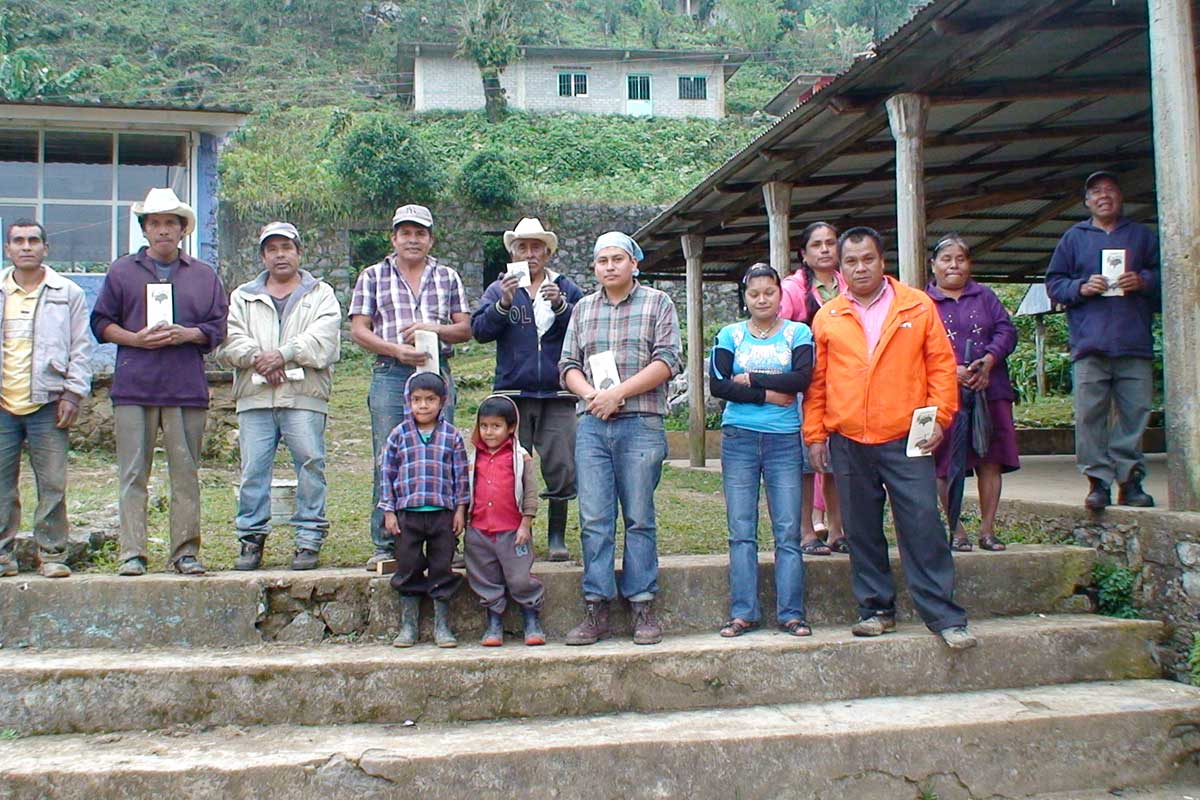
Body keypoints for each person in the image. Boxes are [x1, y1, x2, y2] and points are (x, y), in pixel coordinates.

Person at [804, 227, 976, 650]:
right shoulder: (828, 315)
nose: (860, 268)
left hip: (907, 435)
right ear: (840, 268)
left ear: (883, 261)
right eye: (851, 262)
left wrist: (940, 417)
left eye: (867, 259)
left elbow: (940, 367)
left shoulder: (916, 306)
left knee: (921, 522)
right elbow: (818, 382)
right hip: (848, 438)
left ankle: (943, 615)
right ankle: (875, 609)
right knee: (861, 529)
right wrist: (816, 434)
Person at [90, 188, 228, 577]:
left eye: (171, 222)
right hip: (134, 385)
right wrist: (134, 338)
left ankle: (185, 553)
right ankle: (132, 553)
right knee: (133, 473)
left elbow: (218, 328)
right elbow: (101, 323)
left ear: (183, 229)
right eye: (155, 223)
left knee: (185, 472)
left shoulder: (203, 275)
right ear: (145, 229)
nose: (163, 230)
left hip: (186, 387)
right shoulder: (122, 271)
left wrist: (190, 335)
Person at [559, 232, 682, 646]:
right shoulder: (582, 309)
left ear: (634, 264)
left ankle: (642, 605)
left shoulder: (657, 303)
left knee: (639, 517)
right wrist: (592, 394)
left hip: (641, 422)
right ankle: (596, 606)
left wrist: (619, 393)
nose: (609, 266)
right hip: (593, 424)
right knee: (594, 519)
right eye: (602, 260)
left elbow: (668, 359)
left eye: (618, 259)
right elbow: (568, 365)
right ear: (594, 267)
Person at [349, 204, 472, 570]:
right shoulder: (372, 276)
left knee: (443, 454)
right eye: (406, 232)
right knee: (388, 455)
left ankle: (446, 540)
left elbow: (465, 329)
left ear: (431, 239)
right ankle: (386, 543)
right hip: (390, 373)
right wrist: (395, 349)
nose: (413, 239)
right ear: (394, 237)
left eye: (420, 233)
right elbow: (359, 330)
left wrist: (432, 330)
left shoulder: (448, 276)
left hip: (437, 372)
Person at [219, 222, 342, 571]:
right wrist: (261, 358)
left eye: (286, 247)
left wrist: (284, 353)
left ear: (298, 252)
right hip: (255, 396)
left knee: (310, 464)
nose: (280, 254)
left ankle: (308, 539)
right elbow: (229, 339)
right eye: (272, 249)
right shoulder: (243, 296)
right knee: (253, 469)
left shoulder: (321, 294)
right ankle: (251, 539)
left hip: (304, 395)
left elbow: (325, 340)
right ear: (263, 256)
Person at [471, 217, 584, 561]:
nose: (530, 253)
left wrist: (562, 307)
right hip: (513, 394)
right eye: (523, 247)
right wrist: (503, 305)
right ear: (513, 252)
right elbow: (479, 330)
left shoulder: (565, 287)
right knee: (510, 467)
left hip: (558, 393)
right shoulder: (499, 288)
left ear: (548, 253)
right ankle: (514, 533)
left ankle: (556, 537)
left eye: (537, 247)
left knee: (561, 465)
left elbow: (585, 328)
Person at [709, 263, 813, 637]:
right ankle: (743, 612)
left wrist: (750, 378)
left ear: (779, 294)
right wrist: (769, 393)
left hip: (784, 440)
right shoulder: (730, 335)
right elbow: (719, 386)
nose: (761, 299)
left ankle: (792, 613)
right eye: (754, 293)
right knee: (741, 530)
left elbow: (801, 378)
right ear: (745, 297)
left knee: (787, 531)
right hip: (739, 439)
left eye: (769, 291)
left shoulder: (797, 333)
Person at [1046, 171, 1160, 510]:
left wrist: (1142, 280)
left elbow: (1165, 274)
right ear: (1087, 201)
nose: (1104, 196)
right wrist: (1081, 287)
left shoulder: (1140, 235)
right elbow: (1054, 283)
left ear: (1120, 197)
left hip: (1133, 340)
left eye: (1110, 190)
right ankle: (1098, 482)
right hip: (1089, 343)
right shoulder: (1073, 238)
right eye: (1096, 192)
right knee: (1089, 414)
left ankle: (1130, 481)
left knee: (1135, 411)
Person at [0, 220, 92, 579]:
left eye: (33, 240)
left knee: (52, 483)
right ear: (8, 249)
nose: (27, 247)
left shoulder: (66, 292)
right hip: (3, 403)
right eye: (18, 241)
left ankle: (52, 554)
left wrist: (73, 392)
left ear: (46, 248)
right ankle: (3, 556)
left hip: (48, 402)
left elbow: (81, 348)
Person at [927, 235, 1019, 552]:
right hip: (942, 395)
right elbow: (915, 347)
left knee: (990, 459)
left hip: (989, 390)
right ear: (933, 265)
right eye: (946, 258)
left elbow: (1007, 330)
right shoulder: (922, 303)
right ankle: (956, 529)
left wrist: (989, 361)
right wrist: (950, 370)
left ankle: (988, 530)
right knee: (942, 463)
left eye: (961, 259)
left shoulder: (986, 297)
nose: (954, 265)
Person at [379, 372, 470, 649]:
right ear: (408, 402)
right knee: (409, 565)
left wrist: (460, 509)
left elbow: (460, 475)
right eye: (417, 400)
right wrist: (389, 511)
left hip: (442, 513)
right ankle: (409, 625)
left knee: (442, 566)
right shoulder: (399, 435)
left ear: (442, 402)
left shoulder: (452, 436)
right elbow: (387, 473)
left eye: (430, 400)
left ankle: (442, 625)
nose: (423, 406)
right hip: (408, 514)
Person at [778, 221, 848, 555]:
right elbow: (781, 332)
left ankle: (837, 529)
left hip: (844, 384)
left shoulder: (849, 284)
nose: (824, 249)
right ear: (803, 254)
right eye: (816, 244)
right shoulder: (792, 289)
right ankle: (806, 531)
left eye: (831, 243)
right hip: (806, 387)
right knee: (805, 462)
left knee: (836, 461)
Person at [465, 395, 546, 647]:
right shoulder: (472, 458)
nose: (489, 432)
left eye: (496, 426)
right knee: (484, 577)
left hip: (513, 531)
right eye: (484, 426)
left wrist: (526, 523)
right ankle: (494, 622)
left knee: (520, 577)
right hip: (479, 531)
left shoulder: (521, 457)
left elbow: (530, 492)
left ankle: (531, 619)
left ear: (511, 427)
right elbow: (464, 490)